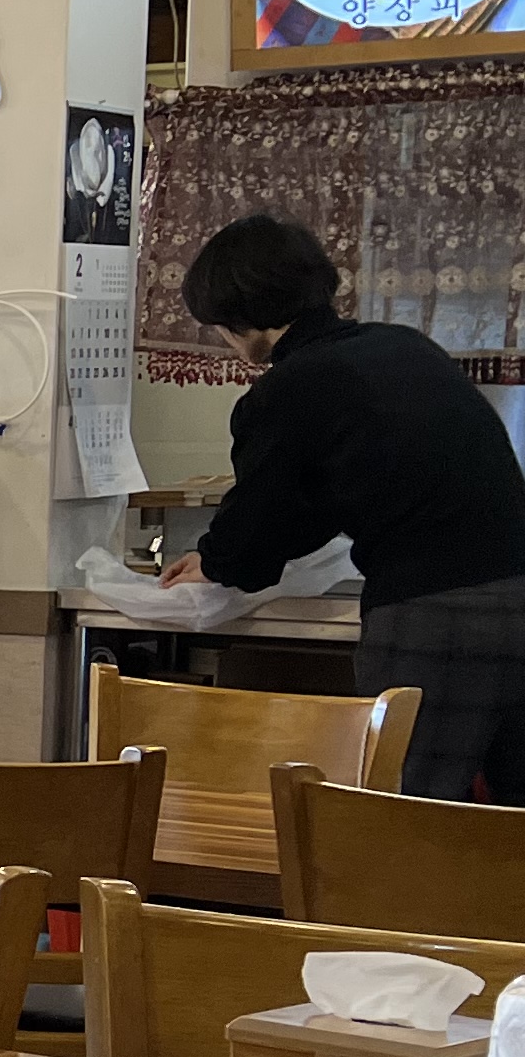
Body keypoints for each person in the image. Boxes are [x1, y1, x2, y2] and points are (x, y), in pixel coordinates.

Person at [161, 212, 525, 800]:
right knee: (509, 818)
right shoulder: (405, 347)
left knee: (405, 810)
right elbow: (323, 502)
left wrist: (216, 559)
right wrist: (223, 553)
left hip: (433, 614)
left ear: (239, 320)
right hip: (518, 586)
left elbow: (263, 523)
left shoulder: (289, 389)